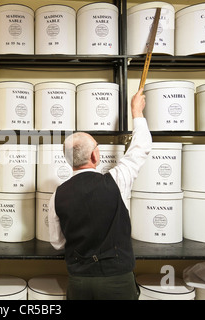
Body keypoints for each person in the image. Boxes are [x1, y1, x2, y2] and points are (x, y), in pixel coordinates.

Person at [48, 88, 152, 300]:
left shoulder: (57, 196)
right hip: (118, 281)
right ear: (95, 155)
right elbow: (141, 147)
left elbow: (57, 243)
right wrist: (136, 112)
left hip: (79, 283)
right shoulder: (117, 180)